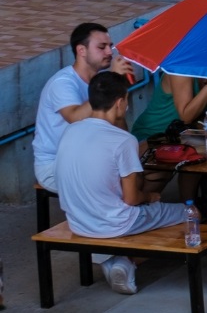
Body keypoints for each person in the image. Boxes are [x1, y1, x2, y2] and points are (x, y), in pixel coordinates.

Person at [53, 72, 192, 294]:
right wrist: (151, 197)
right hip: (116, 223)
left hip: (78, 221)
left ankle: (112, 257)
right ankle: (126, 260)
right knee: (191, 215)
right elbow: (132, 198)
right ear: (119, 103)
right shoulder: (123, 141)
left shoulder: (71, 130)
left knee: (148, 211)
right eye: (126, 100)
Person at [36, 22, 123, 192]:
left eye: (110, 46)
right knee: (116, 188)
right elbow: (75, 118)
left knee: (138, 174)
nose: (109, 52)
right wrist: (109, 83)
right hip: (55, 166)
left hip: (92, 159)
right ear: (81, 50)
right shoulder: (63, 83)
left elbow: (120, 129)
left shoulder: (101, 82)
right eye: (102, 47)